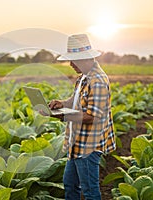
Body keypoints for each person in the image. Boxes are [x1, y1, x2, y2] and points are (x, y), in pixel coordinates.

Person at [49, 34, 116, 200]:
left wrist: (63, 117)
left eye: (74, 60)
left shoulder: (98, 80)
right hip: (76, 142)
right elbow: (75, 101)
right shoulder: (83, 77)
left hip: (88, 145)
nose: (70, 64)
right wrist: (61, 104)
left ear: (86, 58)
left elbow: (93, 117)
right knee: (70, 185)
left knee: (90, 191)